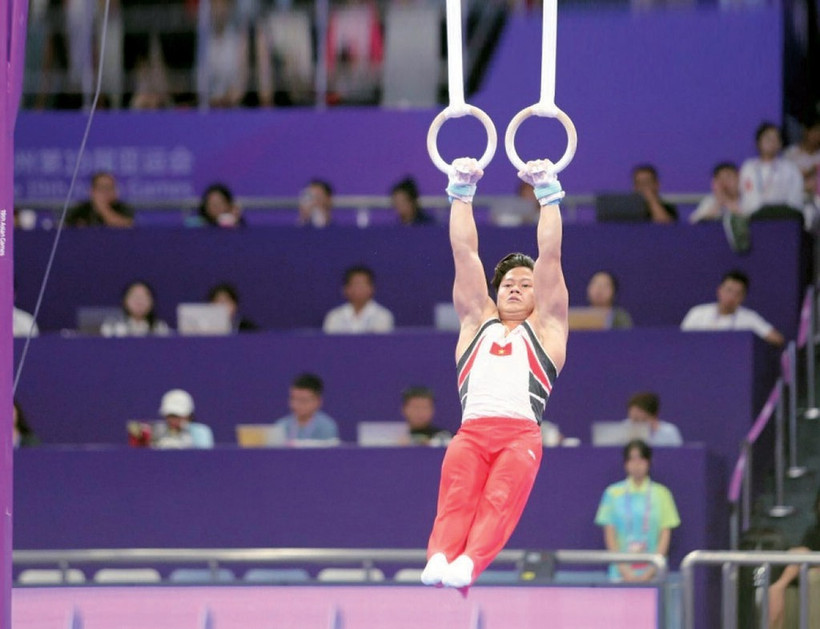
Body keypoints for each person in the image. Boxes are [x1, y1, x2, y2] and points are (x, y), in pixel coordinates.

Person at [421, 157, 569, 590]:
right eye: (507, 283)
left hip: (520, 436)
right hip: (470, 434)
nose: (515, 288)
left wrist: (548, 193)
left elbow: (551, 256)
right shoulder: (475, 322)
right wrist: (461, 192)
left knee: (498, 503)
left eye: (525, 284)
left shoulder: (548, 329)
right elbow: (463, 253)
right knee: (456, 500)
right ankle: (439, 557)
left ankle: (469, 562)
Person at [595, 440, 681, 582]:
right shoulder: (612, 493)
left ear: (649, 462)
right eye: (632, 459)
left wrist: (650, 571)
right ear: (625, 463)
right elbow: (610, 535)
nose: (636, 465)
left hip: (653, 575)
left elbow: (665, 535)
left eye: (641, 459)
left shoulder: (662, 493)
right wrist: (625, 571)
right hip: (620, 575)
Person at [680, 269, 785, 347]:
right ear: (719, 290)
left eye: (737, 293)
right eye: (728, 290)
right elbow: (681, 342)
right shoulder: (697, 313)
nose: (731, 297)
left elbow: (778, 339)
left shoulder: (750, 318)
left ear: (743, 297)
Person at [768, 488, 820, 629]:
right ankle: (779, 587)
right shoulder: (814, 532)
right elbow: (802, 552)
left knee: (813, 578)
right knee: (788, 589)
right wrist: (780, 585)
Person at [739, 122, 804, 217]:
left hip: (785, 218)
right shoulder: (749, 167)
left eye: (775, 139)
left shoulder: (790, 168)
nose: (772, 142)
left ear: (780, 143)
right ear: (758, 142)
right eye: (768, 139)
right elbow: (748, 196)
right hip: (756, 219)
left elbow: (795, 196)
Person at [322, 265, 395, 334]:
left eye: (363, 284)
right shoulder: (334, 316)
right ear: (346, 289)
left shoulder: (383, 316)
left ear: (372, 288)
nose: (359, 289)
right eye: (355, 284)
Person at [273, 373, 340, 443]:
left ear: (318, 401)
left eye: (303, 400)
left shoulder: (326, 427)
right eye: (293, 399)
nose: (297, 404)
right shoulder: (281, 426)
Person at [101, 280, 171, 337]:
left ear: (152, 302)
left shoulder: (160, 328)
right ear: (124, 301)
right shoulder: (112, 327)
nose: (139, 301)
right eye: (135, 297)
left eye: (144, 297)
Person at [150, 389, 214, 449]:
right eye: (170, 416)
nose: (173, 420)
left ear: (188, 415)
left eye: (177, 416)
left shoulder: (201, 431)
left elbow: (204, 456)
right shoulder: (156, 431)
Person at [66, 172, 134, 228]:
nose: (106, 192)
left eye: (110, 188)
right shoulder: (81, 209)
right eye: (102, 188)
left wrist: (102, 207)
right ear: (91, 191)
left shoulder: (122, 208)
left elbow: (126, 226)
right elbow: (64, 227)